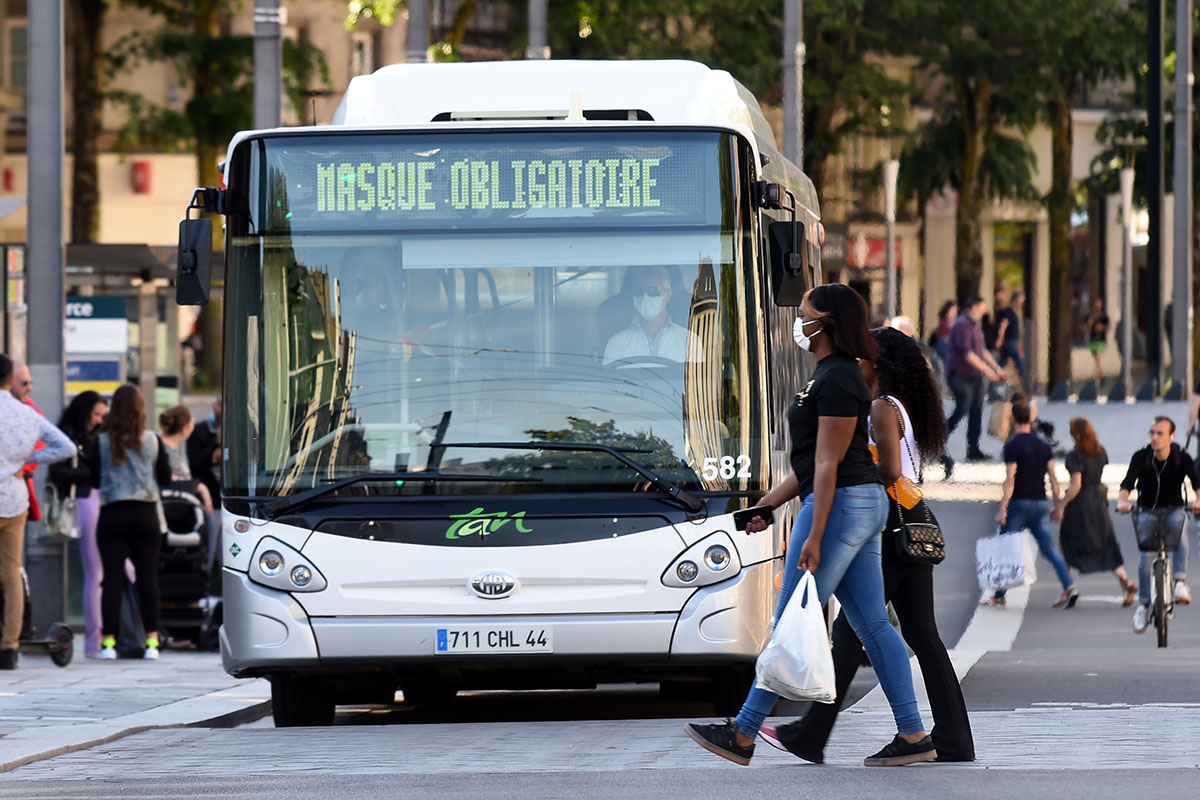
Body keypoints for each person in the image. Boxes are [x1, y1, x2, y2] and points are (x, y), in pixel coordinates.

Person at [684, 283, 936, 768]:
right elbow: (810, 464)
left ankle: (743, 731)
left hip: (839, 505)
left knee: (791, 617)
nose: (799, 322)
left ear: (829, 324)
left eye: (806, 315)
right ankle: (912, 736)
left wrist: (814, 535)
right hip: (853, 504)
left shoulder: (839, 378)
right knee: (872, 623)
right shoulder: (830, 376)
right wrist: (768, 505)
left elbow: (826, 465)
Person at [759, 326, 974, 764]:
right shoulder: (903, 407)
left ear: (878, 364)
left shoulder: (879, 407)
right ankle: (953, 738)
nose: (854, 361)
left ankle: (811, 735)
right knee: (920, 635)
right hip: (911, 523)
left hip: (890, 527)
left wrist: (850, 483)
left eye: (862, 356)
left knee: (854, 630)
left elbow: (890, 469)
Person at [0, 354, 75, 669]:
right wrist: (24, 459)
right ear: (9, 379)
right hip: (13, 501)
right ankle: (9, 647)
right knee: (12, 574)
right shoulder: (26, 414)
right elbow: (66, 447)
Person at [88, 385, 173, 661]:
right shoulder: (152, 440)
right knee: (148, 577)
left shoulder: (102, 441)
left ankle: (109, 645)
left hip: (113, 513)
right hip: (146, 513)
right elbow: (165, 477)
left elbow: (93, 480)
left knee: (111, 579)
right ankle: (152, 643)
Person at [983, 398, 1077, 608]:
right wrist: (1057, 505)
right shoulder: (1043, 445)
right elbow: (1053, 477)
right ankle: (1068, 585)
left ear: (1013, 418)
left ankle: (999, 595)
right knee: (1049, 549)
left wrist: (1003, 508)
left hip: (1019, 504)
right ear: (1031, 417)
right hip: (1040, 503)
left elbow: (1010, 478)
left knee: (1005, 547)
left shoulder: (1013, 445)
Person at [1117, 416, 1200, 633]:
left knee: (1179, 526)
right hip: (1147, 511)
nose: (1154, 437)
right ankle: (1144, 605)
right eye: (1152, 433)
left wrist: (1199, 500)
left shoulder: (1181, 457)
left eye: (1160, 433)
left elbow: (1196, 482)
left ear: (1171, 436)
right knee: (1146, 558)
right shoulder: (1141, 457)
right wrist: (1122, 501)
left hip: (1174, 509)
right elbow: (1127, 484)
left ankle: (1180, 582)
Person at [47, 391, 109, 657]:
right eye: (96, 414)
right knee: (95, 572)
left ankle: (106, 635)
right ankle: (95, 641)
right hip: (83, 500)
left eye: (102, 416)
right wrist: (93, 474)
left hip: (98, 500)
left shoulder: (96, 435)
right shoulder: (69, 433)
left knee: (114, 570)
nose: (98, 420)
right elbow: (57, 472)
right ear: (84, 411)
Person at [1055, 417, 1137, 607]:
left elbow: (1076, 485)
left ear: (1075, 434)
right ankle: (1126, 581)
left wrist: (1061, 504)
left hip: (1080, 504)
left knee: (1066, 543)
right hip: (1099, 503)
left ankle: (1067, 589)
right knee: (1106, 543)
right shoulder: (1101, 452)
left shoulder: (1074, 456)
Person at [945, 296, 1006, 462]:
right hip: (960, 374)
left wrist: (996, 368)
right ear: (974, 307)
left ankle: (973, 449)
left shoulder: (975, 326)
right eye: (982, 307)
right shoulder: (961, 325)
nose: (984, 311)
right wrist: (987, 370)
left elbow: (982, 350)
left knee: (976, 412)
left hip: (975, 376)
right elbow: (967, 354)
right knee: (963, 407)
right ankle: (939, 437)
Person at [602, 266, 700, 365]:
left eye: (653, 291)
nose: (645, 297)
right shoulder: (617, 344)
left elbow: (701, 379)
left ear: (668, 295)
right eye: (639, 291)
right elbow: (610, 380)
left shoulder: (689, 341)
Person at [159, 406, 214, 514]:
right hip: (173, 514)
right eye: (192, 424)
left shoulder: (164, 447)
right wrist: (200, 487)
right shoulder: (163, 452)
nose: (193, 428)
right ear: (184, 428)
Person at [187, 397, 222, 508]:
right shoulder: (199, 430)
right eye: (219, 404)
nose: (221, 408)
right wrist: (214, 444)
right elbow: (195, 467)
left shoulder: (243, 430)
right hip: (209, 497)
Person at [994, 289, 1024, 380]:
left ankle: (994, 377)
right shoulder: (1009, 312)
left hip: (1010, 342)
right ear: (1015, 300)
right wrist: (1000, 339)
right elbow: (1003, 324)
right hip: (1010, 342)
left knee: (1002, 362)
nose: (1022, 303)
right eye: (1021, 300)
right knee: (1019, 362)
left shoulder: (1012, 312)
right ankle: (1027, 380)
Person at [1086, 299, 1109, 383]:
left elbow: (1108, 327)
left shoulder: (1103, 316)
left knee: (1098, 359)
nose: (1097, 307)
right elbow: (1087, 326)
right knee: (1096, 359)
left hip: (1101, 340)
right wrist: (1090, 327)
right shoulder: (1091, 316)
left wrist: (1102, 327)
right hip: (1093, 340)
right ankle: (1101, 375)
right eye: (1096, 305)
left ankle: (1096, 376)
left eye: (1099, 305)